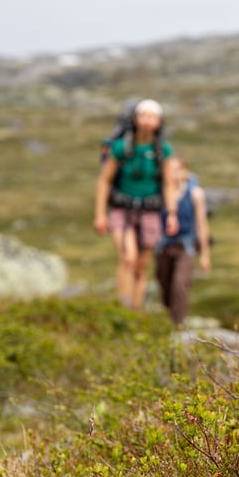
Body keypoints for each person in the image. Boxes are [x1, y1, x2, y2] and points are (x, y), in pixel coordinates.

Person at [94, 99, 178, 309]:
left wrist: (172, 213)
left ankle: (136, 310)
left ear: (159, 122)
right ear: (135, 119)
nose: (148, 121)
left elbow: (169, 184)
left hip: (150, 211)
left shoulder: (163, 150)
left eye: (153, 117)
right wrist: (100, 215)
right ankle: (123, 307)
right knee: (128, 258)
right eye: (144, 116)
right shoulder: (121, 147)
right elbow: (104, 180)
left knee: (141, 266)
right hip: (122, 210)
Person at [156, 157, 212, 326]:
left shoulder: (195, 193)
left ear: (185, 171)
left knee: (180, 284)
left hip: (186, 246)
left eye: (177, 169)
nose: (173, 174)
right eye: (170, 170)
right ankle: (167, 319)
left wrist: (205, 255)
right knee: (164, 285)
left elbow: (202, 224)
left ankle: (178, 324)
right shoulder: (161, 192)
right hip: (163, 246)